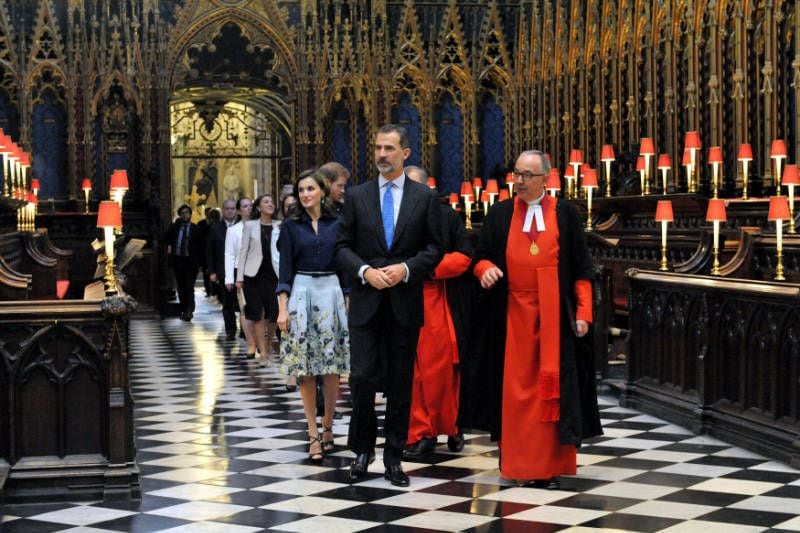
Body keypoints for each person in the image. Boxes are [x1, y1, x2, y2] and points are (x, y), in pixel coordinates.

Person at [462, 149, 602, 489]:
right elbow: (478, 258)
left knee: (549, 394)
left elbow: (582, 271)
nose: (519, 181)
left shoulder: (566, 215)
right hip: (511, 318)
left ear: (545, 179)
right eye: (517, 174)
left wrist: (583, 313)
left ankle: (548, 466)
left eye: (527, 175)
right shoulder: (499, 214)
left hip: (554, 318)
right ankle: (518, 464)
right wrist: (486, 270)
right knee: (514, 394)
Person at [336, 124, 442, 487]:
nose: (382, 154)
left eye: (389, 148)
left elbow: (434, 248)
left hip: (404, 302)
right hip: (366, 302)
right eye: (378, 148)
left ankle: (394, 457)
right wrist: (365, 271)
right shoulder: (357, 196)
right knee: (362, 377)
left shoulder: (424, 197)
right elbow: (341, 247)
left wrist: (407, 268)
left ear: (405, 153)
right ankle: (362, 450)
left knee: (400, 384)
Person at [276, 170, 349, 461]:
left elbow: (344, 266)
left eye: (310, 188)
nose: (305, 194)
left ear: (322, 190)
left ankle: (329, 427)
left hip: (331, 291)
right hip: (302, 291)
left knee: (331, 368)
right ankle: (312, 433)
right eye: (301, 189)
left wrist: (347, 302)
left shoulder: (338, 223)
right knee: (306, 369)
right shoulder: (291, 227)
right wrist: (282, 308)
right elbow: (285, 271)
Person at [403, 165, 472, 458]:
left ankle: (450, 426)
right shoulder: (392, 218)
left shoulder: (447, 217)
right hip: (404, 299)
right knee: (410, 374)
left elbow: (466, 254)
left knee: (441, 372)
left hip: (439, 299)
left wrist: (428, 269)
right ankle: (420, 431)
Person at [236, 195, 281, 364]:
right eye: (266, 202)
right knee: (257, 314)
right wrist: (239, 278)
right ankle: (263, 352)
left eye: (272, 201)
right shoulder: (250, 226)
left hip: (273, 274)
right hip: (253, 275)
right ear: (259, 207)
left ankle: (268, 344)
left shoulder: (280, 226)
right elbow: (243, 251)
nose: (270, 204)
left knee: (274, 313)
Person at [225, 197, 257, 356]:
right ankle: (251, 343)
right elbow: (229, 255)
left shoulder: (260, 226)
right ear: (238, 210)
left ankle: (260, 341)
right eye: (245, 206)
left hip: (259, 270)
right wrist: (229, 278)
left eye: (251, 206)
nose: (249, 209)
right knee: (245, 308)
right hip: (241, 271)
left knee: (261, 308)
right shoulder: (233, 230)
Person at [207, 199, 239, 340]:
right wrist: (212, 271)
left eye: (233, 208)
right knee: (228, 303)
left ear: (236, 210)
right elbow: (209, 251)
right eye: (227, 208)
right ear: (223, 210)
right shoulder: (215, 228)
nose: (230, 211)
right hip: (223, 271)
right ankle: (230, 330)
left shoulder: (242, 226)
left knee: (245, 302)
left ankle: (245, 328)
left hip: (242, 270)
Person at [165, 204, 203, 321]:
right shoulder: (175, 228)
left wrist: (199, 262)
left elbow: (200, 246)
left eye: (187, 212)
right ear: (179, 215)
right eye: (182, 213)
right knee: (181, 287)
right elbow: (165, 238)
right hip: (178, 261)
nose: (185, 215)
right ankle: (183, 308)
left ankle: (189, 310)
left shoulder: (195, 229)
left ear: (191, 215)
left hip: (190, 262)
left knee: (189, 286)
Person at [278, 193, 299, 392]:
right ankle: (292, 374)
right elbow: (282, 261)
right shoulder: (285, 231)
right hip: (291, 287)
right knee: (292, 334)